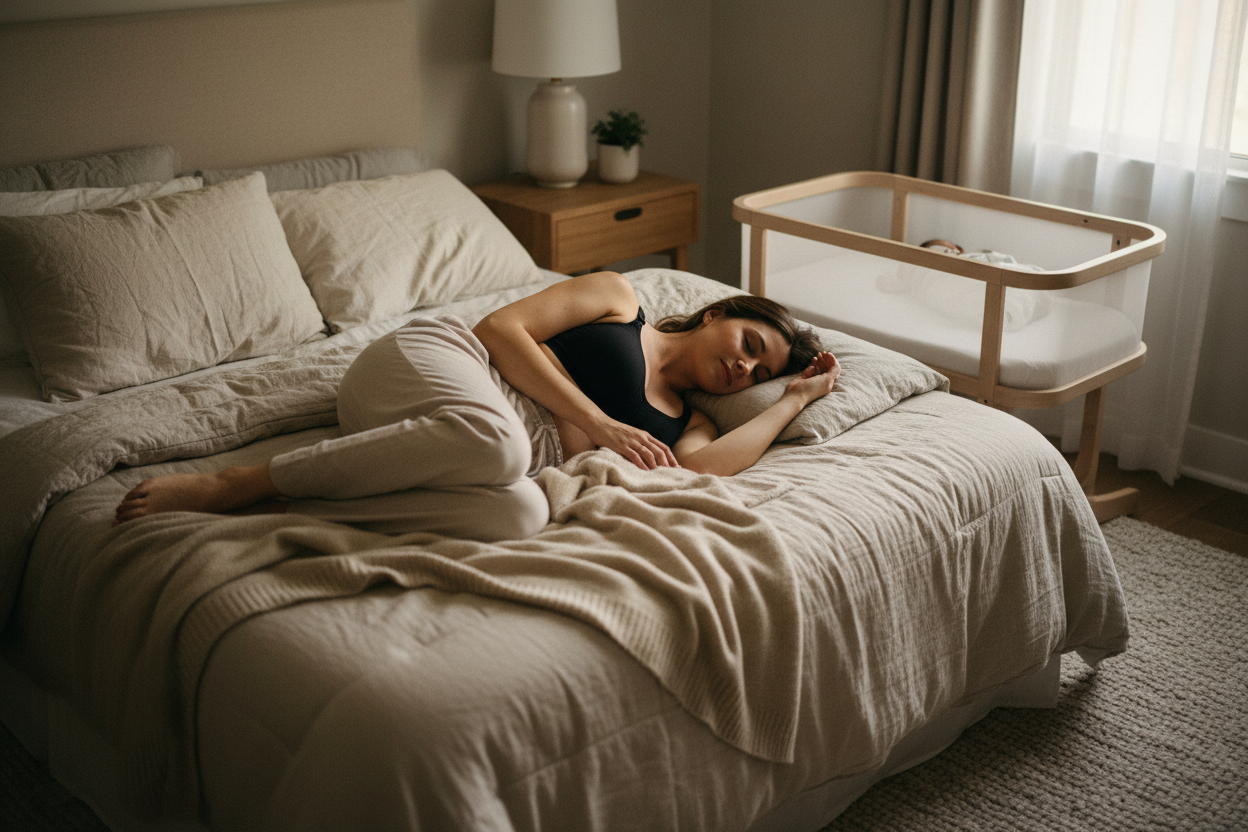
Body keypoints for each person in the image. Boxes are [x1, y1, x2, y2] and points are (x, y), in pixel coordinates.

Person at [113, 271, 839, 541]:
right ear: (717, 314)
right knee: (502, 451)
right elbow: (501, 330)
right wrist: (593, 421)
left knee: (521, 513)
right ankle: (242, 482)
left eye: (757, 373)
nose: (743, 365)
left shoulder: (693, 423)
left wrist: (795, 397)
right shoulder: (621, 301)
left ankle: (293, 504)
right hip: (436, 366)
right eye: (748, 342)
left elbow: (704, 472)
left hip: (456, 446)